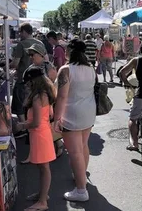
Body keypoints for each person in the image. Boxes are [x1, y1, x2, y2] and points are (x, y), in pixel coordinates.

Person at [53, 39, 96, 202]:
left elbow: (62, 96)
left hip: (71, 113)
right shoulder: (90, 67)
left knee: (75, 152)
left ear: (69, 51)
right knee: (83, 146)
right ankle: (81, 177)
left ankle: (81, 189)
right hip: (88, 112)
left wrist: (57, 118)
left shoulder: (66, 70)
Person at [16, 66, 56, 211]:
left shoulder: (38, 97)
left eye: (28, 82)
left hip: (39, 134)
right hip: (42, 133)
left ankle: (42, 201)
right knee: (42, 167)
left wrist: (21, 126)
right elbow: (49, 115)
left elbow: (36, 122)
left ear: (34, 81)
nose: (27, 85)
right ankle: (43, 195)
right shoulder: (46, 93)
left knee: (44, 168)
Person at [20, 43, 59, 164]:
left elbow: (53, 86)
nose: (31, 57)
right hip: (32, 102)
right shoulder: (31, 68)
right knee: (35, 129)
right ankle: (34, 154)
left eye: (33, 54)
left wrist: (51, 105)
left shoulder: (48, 67)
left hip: (43, 104)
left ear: (41, 55)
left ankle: (54, 149)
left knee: (45, 128)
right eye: (30, 55)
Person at [10, 23, 44, 136]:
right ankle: (32, 126)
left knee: (19, 104)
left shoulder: (21, 44)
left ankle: (23, 128)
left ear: (24, 31)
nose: (19, 34)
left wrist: (6, 64)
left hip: (23, 79)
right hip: (39, 79)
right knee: (34, 104)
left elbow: (15, 63)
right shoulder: (40, 43)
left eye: (20, 32)